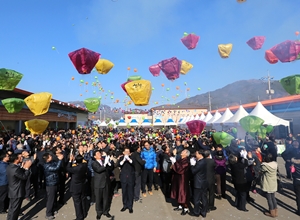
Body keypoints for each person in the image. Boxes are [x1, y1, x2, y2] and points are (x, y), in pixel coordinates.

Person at [6, 153, 32, 220]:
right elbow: (24, 177)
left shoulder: (10, 166)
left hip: (12, 190)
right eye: (20, 157)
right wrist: (27, 168)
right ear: (16, 159)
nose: (22, 158)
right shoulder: (16, 169)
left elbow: (18, 174)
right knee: (15, 210)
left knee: (11, 209)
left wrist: (22, 168)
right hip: (17, 192)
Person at [92, 150, 114, 220]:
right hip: (98, 183)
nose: (100, 154)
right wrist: (104, 164)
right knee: (98, 199)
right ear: (95, 156)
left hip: (106, 182)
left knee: (106, 198)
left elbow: (110, 168)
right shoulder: (94, 163)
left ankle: (106, 211)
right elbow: (98, 170)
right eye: (98, 154)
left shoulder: (104, 160)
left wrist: (109, 163)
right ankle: (99, 212)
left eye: (100, 153)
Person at [67, 154, 88, 220]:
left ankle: (79, 216)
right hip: (82, 185)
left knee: (77, 202)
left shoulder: (75, 168)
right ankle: (84, 213)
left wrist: (70, 160)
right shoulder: (84, 165)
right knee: (83, 199)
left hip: (75, 186)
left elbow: (68, 168)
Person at [43, 152, 64, 220]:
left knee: (54, 197)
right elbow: (56, 168)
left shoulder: (52, 162)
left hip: (55, 182)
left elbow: (56, 164)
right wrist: (60, 160)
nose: (51, 157)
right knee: (50, 199)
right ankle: (48, 213)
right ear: (47, 159)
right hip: (50, 184)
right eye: (50, 156)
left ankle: (54, 208)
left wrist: (58, 159)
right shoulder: (46, 165)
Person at [170, 149, 190, 215]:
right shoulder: (180, 159)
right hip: (177, 178)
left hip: (182, 179)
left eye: (184, 151)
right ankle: (180, 205)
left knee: (182, 192)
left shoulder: (186, 161)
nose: (182, 152)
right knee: (177, 191)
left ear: (186, 154)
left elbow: (180, 169)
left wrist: (174, 162)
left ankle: (186, 208)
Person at [189, 150, 208, 218]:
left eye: (196, 154)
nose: (195, 155)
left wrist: (192, 165)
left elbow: (193, 171)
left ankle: (196, 212)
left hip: (198, 183)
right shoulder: (205, 161)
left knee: (196, 199)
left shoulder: (200, 163)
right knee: (204, 198)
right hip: (204, 182)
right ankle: (204, 211)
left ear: (200, 155)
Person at [260, 153, 278, 217]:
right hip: (273, 182)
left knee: (269, 199)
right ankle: (275, 211)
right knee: (273, 197)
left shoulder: (265, 166)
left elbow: (261, 170)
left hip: (268, 183)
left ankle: (272, 212)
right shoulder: (275, 164)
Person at [118, 147, 135, 213]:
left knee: (130, 192)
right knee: (124, 192)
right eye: (126, 151)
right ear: (123, 152)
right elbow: (119, 164)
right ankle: (125, 205)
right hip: (124, 178)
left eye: (128, 151)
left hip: (130, 177)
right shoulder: (121, 158)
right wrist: (124, 160)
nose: (127, 153)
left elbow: (134, 163)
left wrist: (129, 159)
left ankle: (130, 206)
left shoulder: (132, 158)